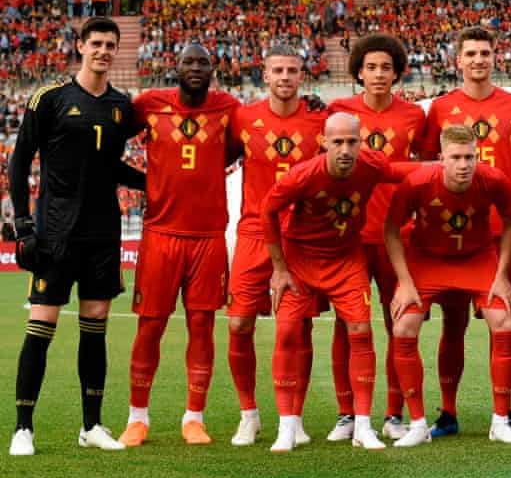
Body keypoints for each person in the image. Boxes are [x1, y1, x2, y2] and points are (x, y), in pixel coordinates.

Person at [8, 17, 145, 456]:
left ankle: (92, 425)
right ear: (80, 46)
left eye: (110, 44)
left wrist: (156, 183)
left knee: (96, 325)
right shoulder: (49, 97)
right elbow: (19, 161)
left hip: (102, 231)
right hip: (55, 231)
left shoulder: (122, 106)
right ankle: (23, 428)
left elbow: (111, 166)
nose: (103, 50)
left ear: (116, 51)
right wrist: (23, 224)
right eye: (96, 43)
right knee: (42, 324)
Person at [420, 26, 511, 438]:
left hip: (502, 235)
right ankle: (448, 413)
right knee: (453, 325)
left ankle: (504, 413)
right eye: (471, 53)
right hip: (454, 235)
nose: (478, 59)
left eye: (485, 52)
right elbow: (425, 165)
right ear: (458, 60)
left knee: (504, 322)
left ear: (494, 57)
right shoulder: (441, 108)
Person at [261, 112, 415, 451]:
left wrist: (442, 166)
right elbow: (267, 210)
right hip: (301, 260)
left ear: (361, 143)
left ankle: (363, 426)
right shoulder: (302, 176)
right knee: (287, 332)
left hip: (346, 259)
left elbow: (400, 171)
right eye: (338, 142)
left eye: (352, 142)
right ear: (324, 143)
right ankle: (286, 428)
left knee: (360, 330)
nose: (345, 149)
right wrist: (279, 269)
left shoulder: (371, 165)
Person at [119, 44, 241, 447]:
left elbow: (251, 139)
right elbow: (107, 137)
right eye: (188, 61)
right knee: (150, 326)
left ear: (213, 69)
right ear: (175, 66)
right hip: (161, 234)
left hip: (208, 236)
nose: (195, 67)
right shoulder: (149, 105)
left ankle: (194, 417)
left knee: (202, 325)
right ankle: (137, 418)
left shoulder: (229, 109)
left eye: (203, 62)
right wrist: (145, 182)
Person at [385, 124, 511, 447]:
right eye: (456, 158)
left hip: (477, 258)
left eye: (469, 157)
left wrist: (501, 274)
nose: (463, 165)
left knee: (504, 322)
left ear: (477, 157)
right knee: (404, 326)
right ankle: (418, 424)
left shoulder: (494, 180)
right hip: (427, 260)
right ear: (441, 158)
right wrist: (404, 282)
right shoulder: (417, 183)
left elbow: (510, 223)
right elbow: (391, 229)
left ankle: (501, 421)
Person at [225, 45, 329, 446]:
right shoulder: (243, 118)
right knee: (238, 324)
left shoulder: (320, 120)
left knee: (298, 328)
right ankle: (248, 415)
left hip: (301, 238)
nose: (285, 77)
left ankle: (295, 418)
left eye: (292, 70)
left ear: (302, 75)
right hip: (254, 234)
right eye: (278, 70)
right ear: (265, 75)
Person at [327, 34, 426, 442]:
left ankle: (392, 413)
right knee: (346, 326)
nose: (379, 74)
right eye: (371, 67)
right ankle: (346, 413)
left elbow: (426, 168)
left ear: (397, 72)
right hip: (350, 236)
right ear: (359, 72)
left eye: (386, 67)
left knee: (397, 324)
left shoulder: (415, 116)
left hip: (397, 237)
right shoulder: (340, 112)